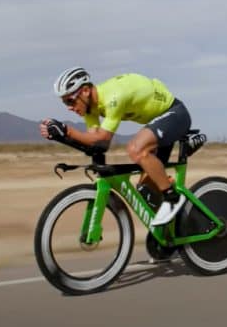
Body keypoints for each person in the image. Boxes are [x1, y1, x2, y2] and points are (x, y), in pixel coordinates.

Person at [40, 67, 191, 227]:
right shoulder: (90, 110)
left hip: (174, 114)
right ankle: (178, 228)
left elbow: (103, 137)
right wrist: (61, 137)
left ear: (85, 91)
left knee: (136, 149)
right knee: (146, 190)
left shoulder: (113, 96)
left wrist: (67, 130)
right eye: (64, 103)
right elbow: (97, 145)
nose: (69, 107)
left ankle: (173, 198)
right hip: (159, 122)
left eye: (70, 101)